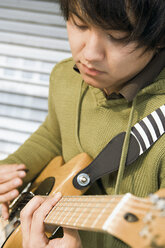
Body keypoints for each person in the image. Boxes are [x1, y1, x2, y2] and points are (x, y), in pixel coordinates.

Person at [0, 0, 165, 247]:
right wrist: (8, 175)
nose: (89, 54)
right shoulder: (65, 76)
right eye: (80, 24)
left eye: (117, 36)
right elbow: (53, 135)